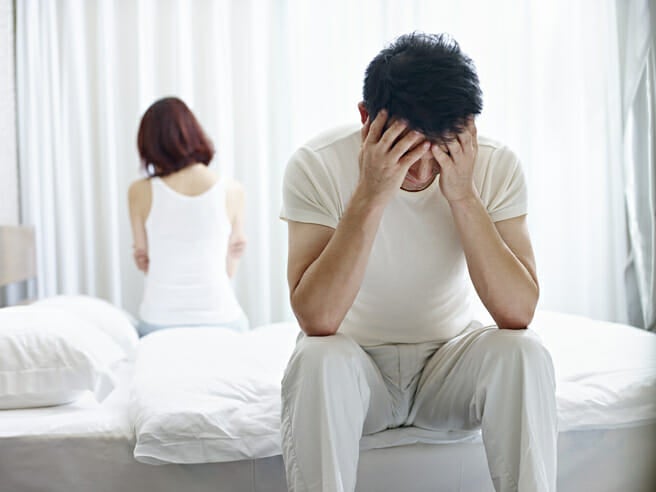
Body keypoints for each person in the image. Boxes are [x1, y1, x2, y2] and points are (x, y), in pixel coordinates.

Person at [279, 33, 557, 492]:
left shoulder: (494, 165)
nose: (423, 171)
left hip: (448, 368)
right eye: (406, 148)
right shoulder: (316, 165)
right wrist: (371, 193)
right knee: (315, 358)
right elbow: (317, 317)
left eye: (441, 148)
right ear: (367, 119)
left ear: (466, 128)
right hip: (358, 370)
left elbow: (518, 312)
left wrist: (464, 196)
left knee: (524, 352)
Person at [128, 97, 248, 337]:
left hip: (159, 323)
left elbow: (146, 263)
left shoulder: (139, 191)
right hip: (222, 320)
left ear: (149, 145)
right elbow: (229, 269)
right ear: (194, 134)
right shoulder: (233, 190)